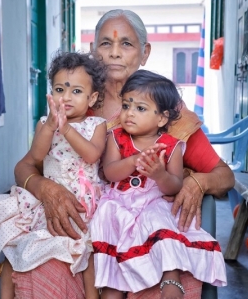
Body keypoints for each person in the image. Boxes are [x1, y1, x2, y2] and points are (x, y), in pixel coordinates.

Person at [9, 9, 235, 298]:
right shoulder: (75, 105)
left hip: (146, 227)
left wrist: (197, 182)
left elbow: (224, 175)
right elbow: (26, 165)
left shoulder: (169, 114)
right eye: (105, 44)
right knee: (42, 270)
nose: (115, 53)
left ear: (145, 52)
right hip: (82, 230)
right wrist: (45, 187)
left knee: (163, 277)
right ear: (93, 52)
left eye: (126, 44)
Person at [0, 51, 107, 299]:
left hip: (82, 200)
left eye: (76, 91)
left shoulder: (96, 125)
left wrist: (66, 129)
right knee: (17, 246)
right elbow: (36, 155)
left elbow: (92, 155)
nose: (66, 97)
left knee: (86, 253)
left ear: (92, 98)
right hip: (48, 199)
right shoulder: (46, 123)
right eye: (59, 89)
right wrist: (50, 127)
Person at [91, 70, 226, 299]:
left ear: (162, 118)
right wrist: (132, 161)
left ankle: (170, 276)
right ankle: (112, 285)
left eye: (140, 108)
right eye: (126, 106)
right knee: (107, 217)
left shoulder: (170, 146)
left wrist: (159, 174)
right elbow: (110, 172)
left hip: (152, 199)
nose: (129, 114)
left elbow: (174, 186)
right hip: (120, 200)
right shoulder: (116, 138)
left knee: (159, 219)